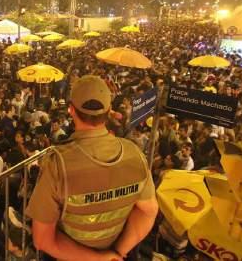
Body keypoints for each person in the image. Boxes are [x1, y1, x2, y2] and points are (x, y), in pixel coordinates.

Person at [26, 75, 158, 261]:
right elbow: (148, 211)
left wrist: (99, 258)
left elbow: (42, 240)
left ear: (71, 110)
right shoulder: (135, 154)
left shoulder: (57, 163)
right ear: (109, 111)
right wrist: (118, 253)